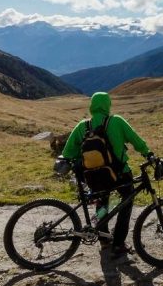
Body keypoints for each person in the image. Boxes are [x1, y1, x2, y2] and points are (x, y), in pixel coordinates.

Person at [60, 92, 154, 261]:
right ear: (107, 105)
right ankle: (118, 243)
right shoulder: (116, 121)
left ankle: (104, 239)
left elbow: (68, 152)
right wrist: (148, 154)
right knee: (126, 201)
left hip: (93, 177)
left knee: (103, 202)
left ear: (92, 106)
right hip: (119, 174)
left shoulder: (83, 126)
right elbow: (136, 140)